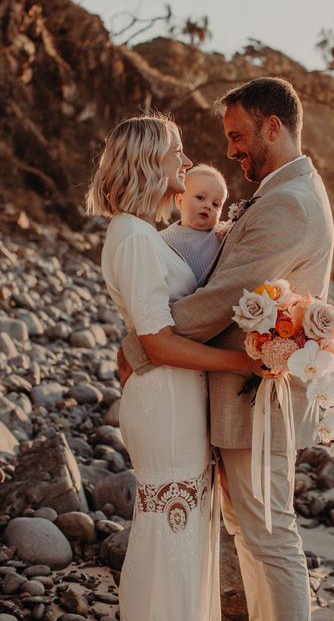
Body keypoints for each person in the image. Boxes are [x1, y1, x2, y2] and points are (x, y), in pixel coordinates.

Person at [123, 78, 334, 621]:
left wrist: (145, 344)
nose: (230, 149)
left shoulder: (289, 203)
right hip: (243, 396)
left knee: (269, 537)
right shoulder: (283, 193)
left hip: (256, 399)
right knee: (253, 531)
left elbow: (222, 298)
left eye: (239, 135)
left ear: (273, 127)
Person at [85, 114, 266, 621]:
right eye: (176, 152)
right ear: (148, 161)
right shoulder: (136, 238)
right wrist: (242, 362)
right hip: (163, 400)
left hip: (175, 399)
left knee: (180, 532)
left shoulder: (145, 232)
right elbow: (158, 342)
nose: (186, 162)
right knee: (171, 533)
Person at [160, 163, 228, 286]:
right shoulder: (163, 240)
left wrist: (228, 233)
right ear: (180, 201)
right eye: (200, 197)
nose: (208, 206)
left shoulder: (221, 235)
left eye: (216, 204)